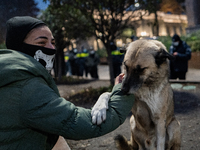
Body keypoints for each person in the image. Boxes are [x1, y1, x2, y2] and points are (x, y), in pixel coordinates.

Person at [0, 16, 135, 150]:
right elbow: (80, 123)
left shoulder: (9, 73)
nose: (51, 48)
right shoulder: (27, 86)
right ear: (19, 46)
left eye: (53, 42)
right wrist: (123, 91)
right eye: (41, 43)